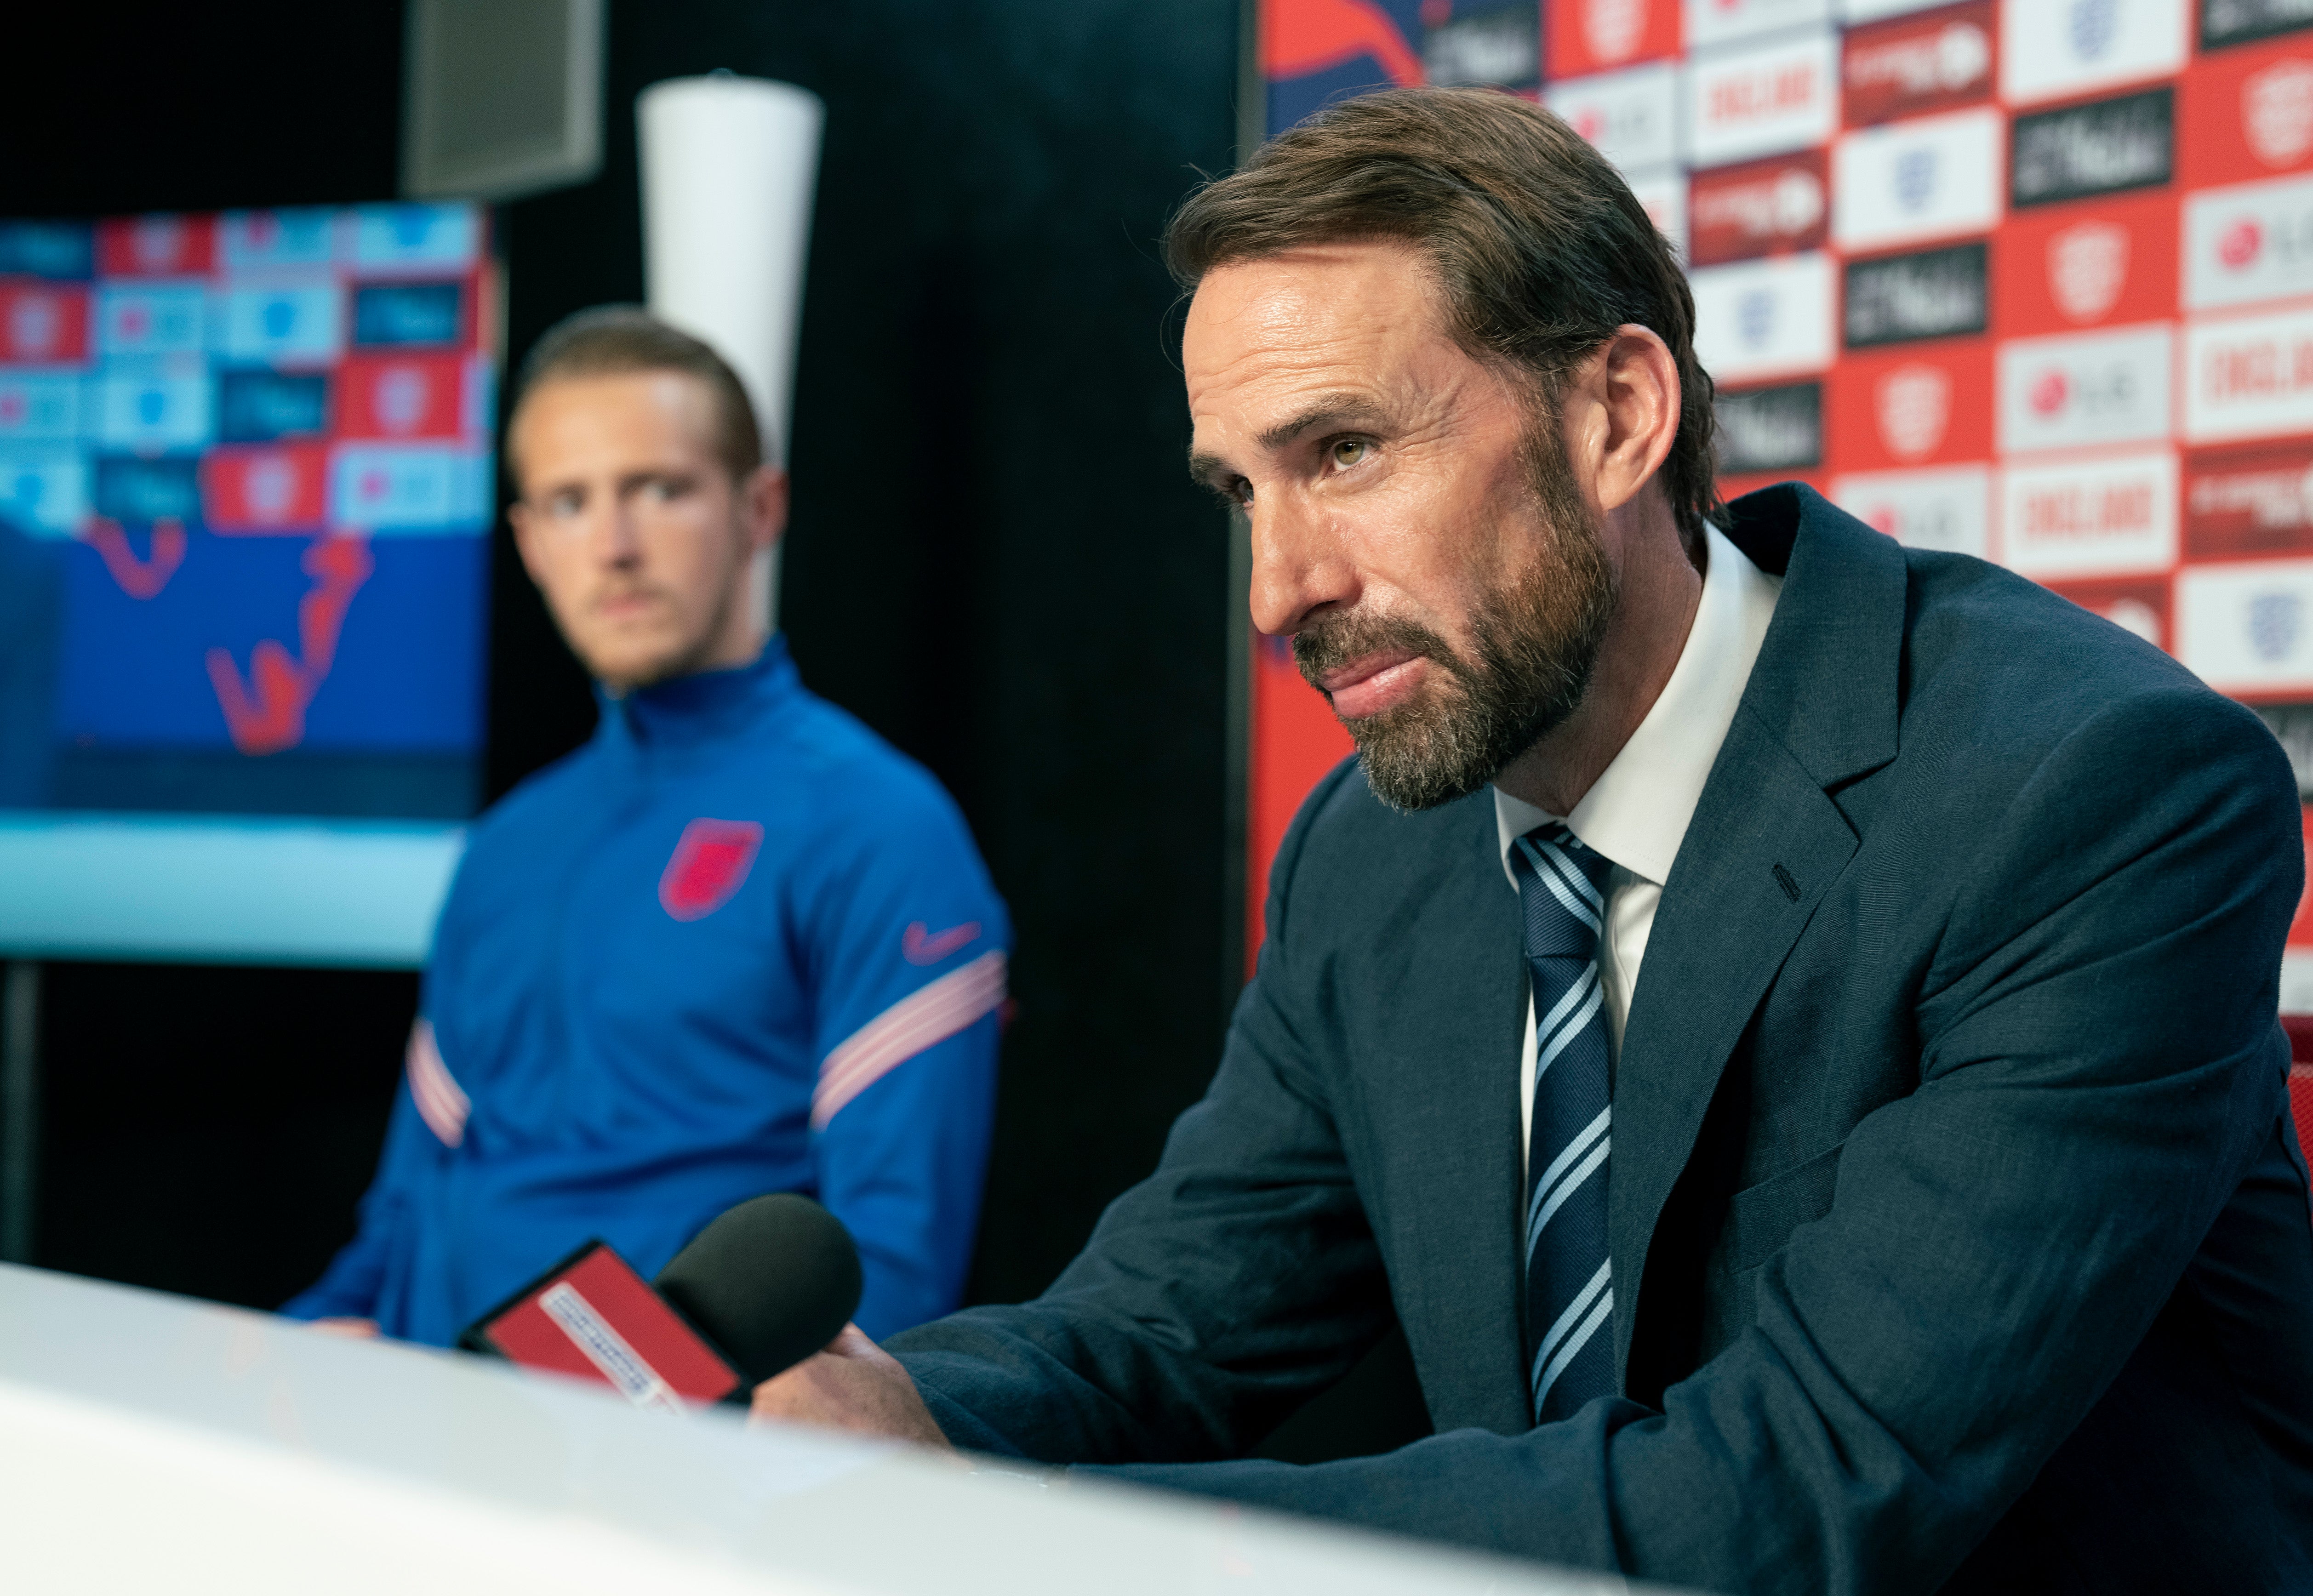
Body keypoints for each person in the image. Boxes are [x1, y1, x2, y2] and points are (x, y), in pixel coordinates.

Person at [749, 89, 2313, 1591]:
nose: (1278, 590)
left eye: (1344, 450)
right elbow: (1166, 1325)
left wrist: (1019, 1544)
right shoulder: (1367, 857)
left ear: (1616, 416)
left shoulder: (2088, 792)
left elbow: (1795, 1497)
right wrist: (869, 1424)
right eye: (1243, 493)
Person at [286, 309, 1009, 1345]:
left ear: (758, 508)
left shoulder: (880, 829)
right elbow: (401, 1216)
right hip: (415, 1440)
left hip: (662, 1473)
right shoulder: (505, 848)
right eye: (571, 503)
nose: (615, 547)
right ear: (531, 542)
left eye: (659, 490)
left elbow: (885, 1277)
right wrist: (304, 1347)